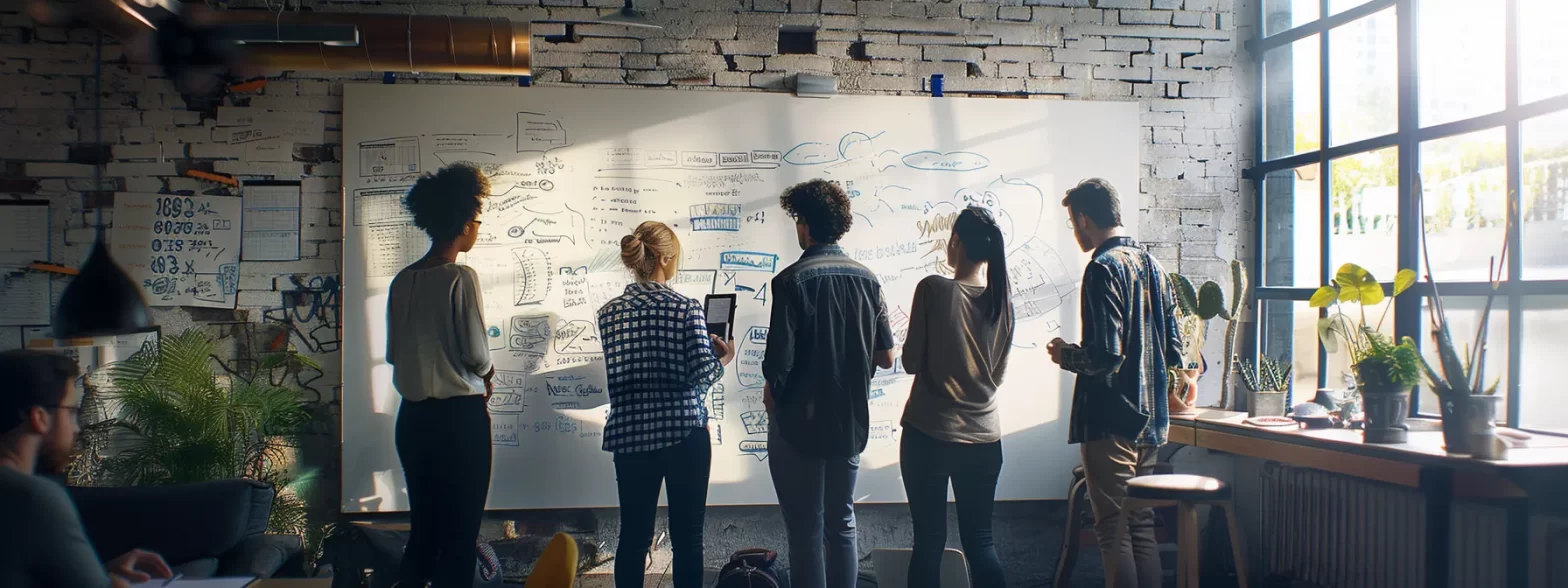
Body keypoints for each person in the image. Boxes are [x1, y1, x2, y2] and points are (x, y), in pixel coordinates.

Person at [1046, 178, 1185, 588]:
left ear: (1085, 219)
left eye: (1074, 223)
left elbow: (1105, 356)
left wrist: (1065, 354)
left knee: (1112, 527)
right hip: (1151, 419)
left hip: (1111, 418)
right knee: (1139, 524)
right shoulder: (1153, 266)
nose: (1075, 231)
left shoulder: (1103, 268)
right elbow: (1176, 350)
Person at [762, 179, 895, 588]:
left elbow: (778, 365)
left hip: (799, 426)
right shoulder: (869, 280)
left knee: (805, 530)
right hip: (849, 422)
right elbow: (887, 356)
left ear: (805, 224)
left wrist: (774, 401)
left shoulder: (790, 281)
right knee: (842, 523)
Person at [596, 221, 735, 588]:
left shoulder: (609, 313)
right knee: (688, 539)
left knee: (633, 536)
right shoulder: (685, 308)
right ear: (664, 258)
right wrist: (723, 357)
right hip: (683, 435)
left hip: (629, 436)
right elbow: (702, 373)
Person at [386, 163, 494, 588]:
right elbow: (476, 353)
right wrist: (488, 372)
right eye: (478, 221)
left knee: (425, 533)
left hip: (412, 421)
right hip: (459, 422)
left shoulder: (401, 281)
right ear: (465, 223)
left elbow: (395, 355)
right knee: (459, 536)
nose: (478, 228)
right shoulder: (460, 277)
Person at [899, 206, 1014, 588]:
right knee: (981, 542)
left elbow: (912, 361)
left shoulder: (933, 289)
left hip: (929, 434)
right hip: (984, 439)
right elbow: (995, 377)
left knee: (929, 543)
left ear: (956, 242)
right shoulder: (1003, 303)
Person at [0, 349, 174, 588]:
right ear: (39, 418)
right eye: (71, 412)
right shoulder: (32, 499)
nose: (77, 429)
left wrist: (92, 570)